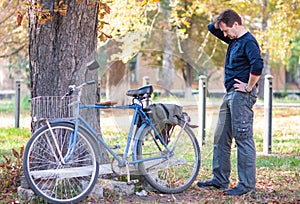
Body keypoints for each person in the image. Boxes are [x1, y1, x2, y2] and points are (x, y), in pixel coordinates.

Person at [197, 9, 263, 196]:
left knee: (243, 139)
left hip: (242, 96)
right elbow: (212, 28)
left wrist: (249, 86)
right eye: (224, 32)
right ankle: (220, 179)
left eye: (226, 30)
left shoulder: (248, 41)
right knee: (220, 137)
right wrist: (223, 20)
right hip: (230, 95)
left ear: (236, 24)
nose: (224, 35)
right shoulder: (234, 40)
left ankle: (246, 185)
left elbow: (257, 64)